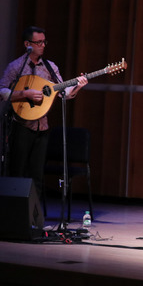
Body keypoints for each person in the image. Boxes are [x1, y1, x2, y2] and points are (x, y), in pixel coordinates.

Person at [0, 26, 88, 200]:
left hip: (42, 127)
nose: (42, 45)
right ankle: (16, 218)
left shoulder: (50, 67)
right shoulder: (16, 66)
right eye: (38, 42)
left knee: (37, 175)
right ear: (27, 44)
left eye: (44, 42)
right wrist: (25, 94)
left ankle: (35, 219)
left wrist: (77, 85)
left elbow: (63, 92)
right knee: (18, 172)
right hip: (20, 126)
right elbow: (2, 90)